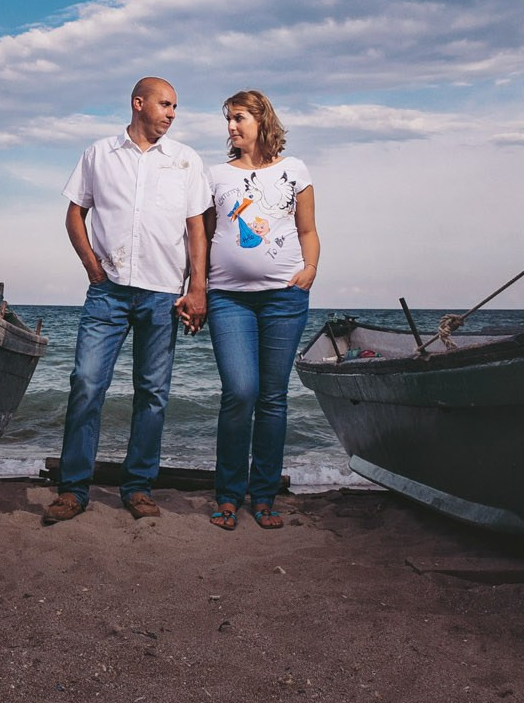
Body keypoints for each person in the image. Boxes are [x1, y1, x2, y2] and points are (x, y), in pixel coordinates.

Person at [44, 76, 211, 524]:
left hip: (162, 294)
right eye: (165, 104)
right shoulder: (99, 154)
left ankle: (137, 487)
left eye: (175, 106)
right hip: (108, 292)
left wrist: (198, 289)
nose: (172, 113)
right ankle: (73, 489)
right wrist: (91, 266)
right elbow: (74, 213)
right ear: (138, 104)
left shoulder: (186, 161)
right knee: (86, 383)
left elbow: (197, 227)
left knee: (152, 393)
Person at [202, 89, 318, 531]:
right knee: (240, 392)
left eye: (239, 118)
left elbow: (307, 229)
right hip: (228, 299)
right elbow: (206, 236)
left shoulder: (295, 171)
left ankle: (264, 496)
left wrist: (310, 269)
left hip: (285, 300)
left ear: (261, 120)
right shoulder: (216, 176)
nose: (231, 127)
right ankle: (229, 494)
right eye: (228, 119)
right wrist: (197, 287)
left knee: (272, 399)